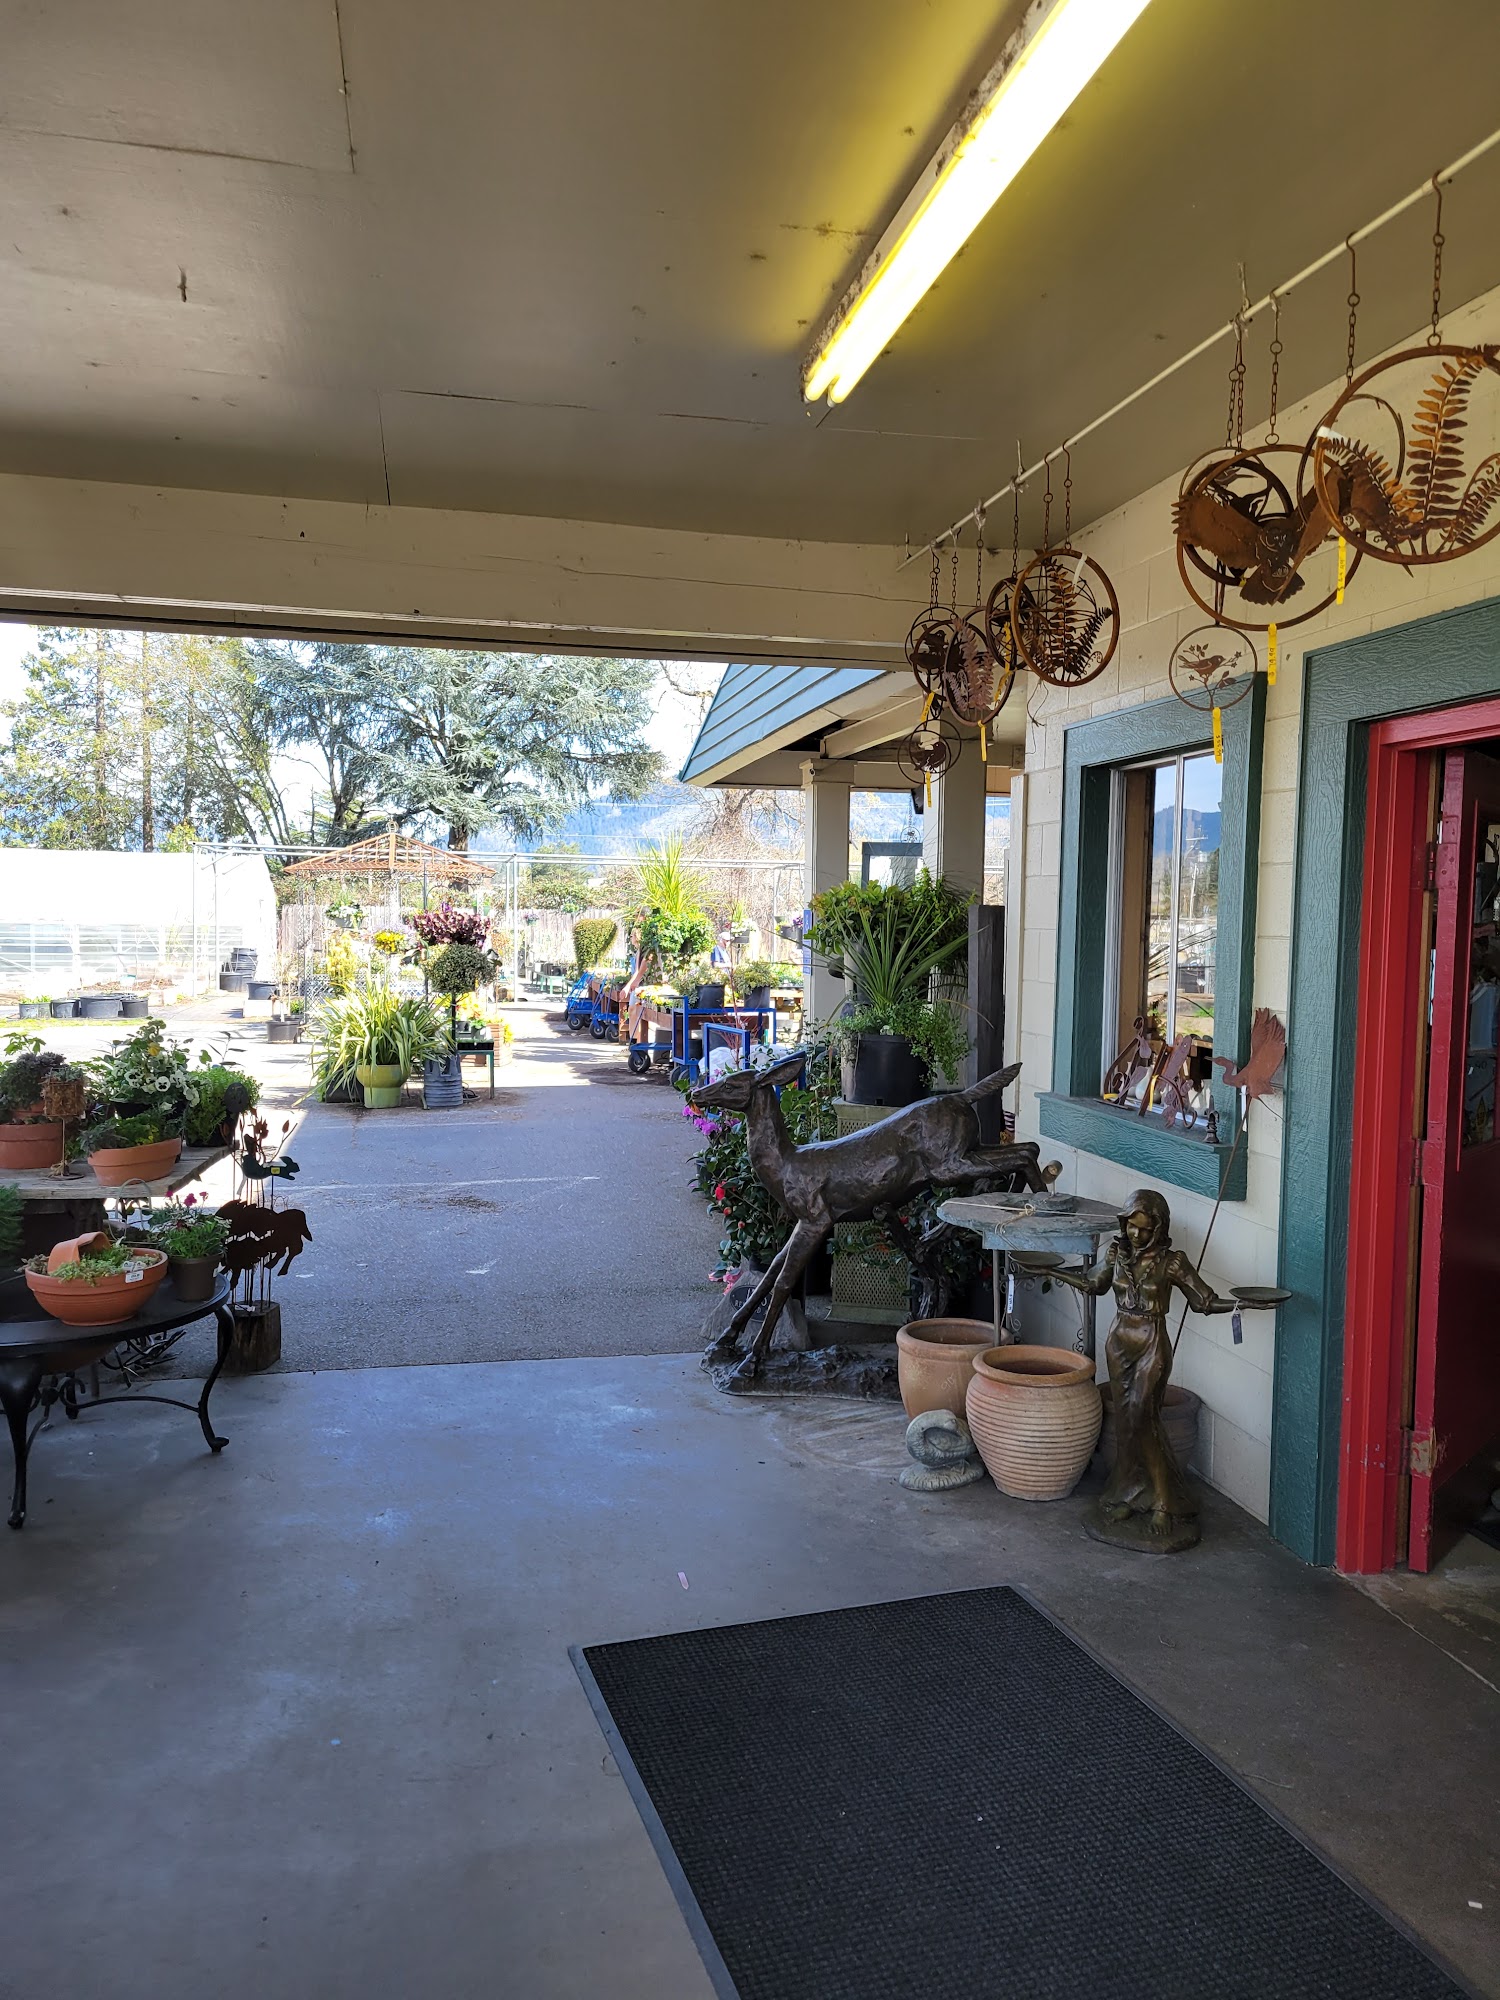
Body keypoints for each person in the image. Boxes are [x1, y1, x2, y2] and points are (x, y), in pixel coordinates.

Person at [1051, 1187, 1233, 1551]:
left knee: (1143, 1418)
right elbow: (1092, 1284)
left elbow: (1204, 1301)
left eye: (1145, 1228)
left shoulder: (1173, 1262)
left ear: (1159, 1228)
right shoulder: (1116, 1254)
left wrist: (1243, 1305)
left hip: (1152, 1340)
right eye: (1131, 1225)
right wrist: (1047, 1269)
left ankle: (1164, 1503)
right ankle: (1131, 1496)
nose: (1136, 1234)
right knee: (1125, 1423)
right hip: (1119, 1340)